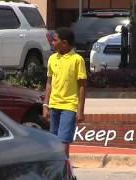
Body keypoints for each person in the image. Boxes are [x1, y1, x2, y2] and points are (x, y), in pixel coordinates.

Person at [43, 27, 87, 158]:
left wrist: (80, 110)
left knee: (63, 141)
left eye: (55, 40)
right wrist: (45, 105)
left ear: (64, 43)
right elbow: (49, 83)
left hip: (69, 106)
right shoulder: (52, 59)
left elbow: (82, 86)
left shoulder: (77, 60)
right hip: (53, 105)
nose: (52, 42)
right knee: (54, 140)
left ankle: (63, 171)